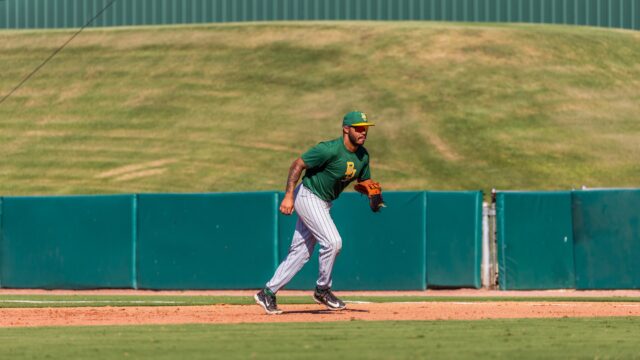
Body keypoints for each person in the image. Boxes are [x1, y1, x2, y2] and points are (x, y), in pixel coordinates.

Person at [255, 111, 382, 315]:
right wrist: (288, 196)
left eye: (365, 128)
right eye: (358, 127)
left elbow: (364, 181)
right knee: (333, 242)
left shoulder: (363, 156)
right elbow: (298, 165)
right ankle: (323, 289)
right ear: (346, 129)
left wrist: (374, 196)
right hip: (308, 196)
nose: (363, 131)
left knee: (301, 253)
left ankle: (267, 293)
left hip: (324, 202)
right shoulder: (329, 149)